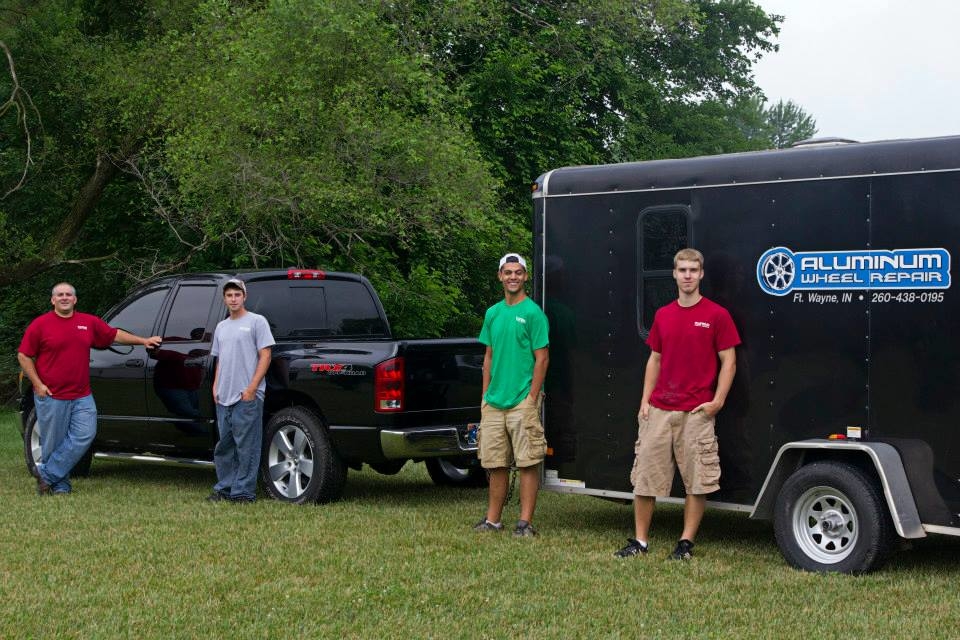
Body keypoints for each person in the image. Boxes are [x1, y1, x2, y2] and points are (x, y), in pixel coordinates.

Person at [615, 248, 740, 560]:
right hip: (659, 409)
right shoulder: (664, 315)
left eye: (693, 270)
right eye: (682, 270)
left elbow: (729, 361)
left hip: (696, 412)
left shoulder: (717, 315)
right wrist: (645, 402)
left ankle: (685, 544)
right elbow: (654, 360)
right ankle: (640, 542)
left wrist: (717, 402)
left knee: (696, 482)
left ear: (701, 274)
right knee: (644, 479)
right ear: (673, 274)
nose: (687, 276)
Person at [17, 282, 162, 495]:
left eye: (68, 294)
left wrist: (143, 341)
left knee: (85, 434)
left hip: (82, 395)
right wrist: (37, 384)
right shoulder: (40, 325)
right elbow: (23, 355)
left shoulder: (87, 322)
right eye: (60, 295)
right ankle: (60, 486)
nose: (64, 297)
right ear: (53, 300)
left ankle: (46, 474)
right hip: (52, 395)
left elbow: (113, 335)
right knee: (53, 442)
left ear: (75, 300)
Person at [474, 253, 549, 537]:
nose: (513, 277)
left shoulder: (533, 313)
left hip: (522, 400)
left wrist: (531, 398)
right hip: (494, 401)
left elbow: (542, 359)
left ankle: (524, 523)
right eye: (508, 272)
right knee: (495, 462)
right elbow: (488, 357)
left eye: (518, 272)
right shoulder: (493, 313)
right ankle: (492, 520)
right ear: (500, 277)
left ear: (526, 276)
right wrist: (484, 396)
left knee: (527, 461)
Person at [208, 278, 275, 503]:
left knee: (247, 447)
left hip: (247, 396)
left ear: (244, 297)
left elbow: (266, 355)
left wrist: (252, 388)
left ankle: (243, 493)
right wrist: (216, 386)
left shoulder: (257, 322)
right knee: (224, 447)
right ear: (224, 299)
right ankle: (224, 488)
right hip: (223, 397)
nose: (233, 299)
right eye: (229, 295)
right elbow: (220, 360)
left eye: (237, 294)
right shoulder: (221, 326)